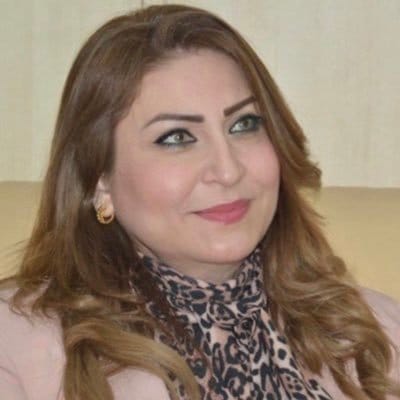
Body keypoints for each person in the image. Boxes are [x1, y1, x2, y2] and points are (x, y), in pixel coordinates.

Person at [0, 4, 399, 400]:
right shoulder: (16, 343)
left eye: (244, 125)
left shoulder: (377, 332)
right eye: (176, 138)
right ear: (100, 180)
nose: (228, 170)